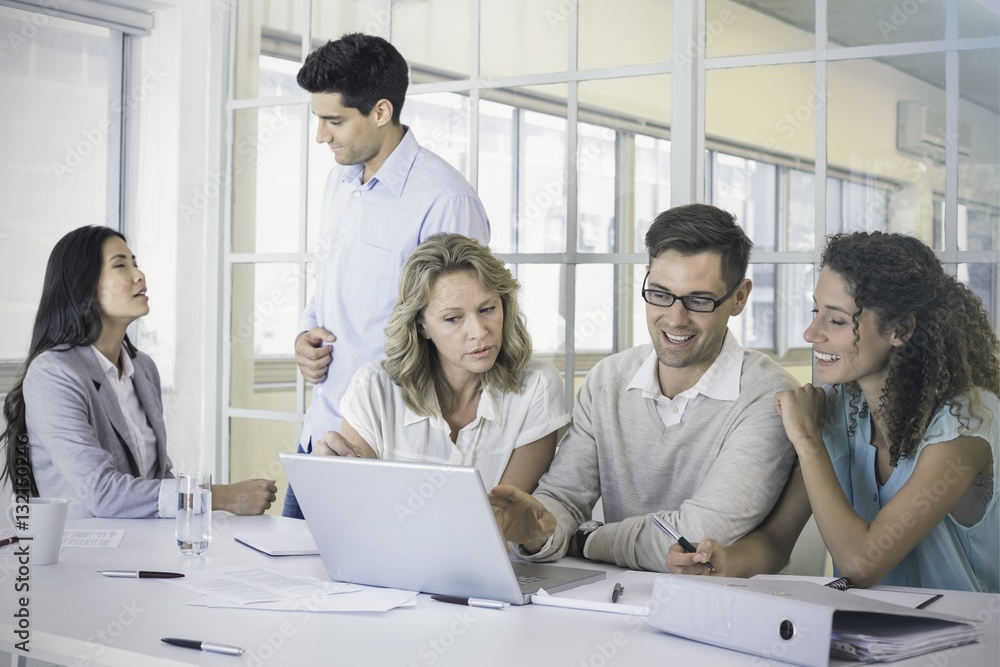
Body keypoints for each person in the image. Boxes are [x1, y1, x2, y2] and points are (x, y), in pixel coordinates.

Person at [667, 232, 999, 592]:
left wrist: (808, 442)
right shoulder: (838, 410)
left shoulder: (967, 421)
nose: (811, 333)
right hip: (861, 634)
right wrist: (725, 561)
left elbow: (863, 563)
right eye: (816, 312)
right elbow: (777, 540)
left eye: (837, 321)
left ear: (899, 329)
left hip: (966, 636)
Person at [490, 204, 799, 572]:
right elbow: (562, 501)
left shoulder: (768, 397)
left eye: (699, 300)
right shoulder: (608, 379)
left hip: (721, 609)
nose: (674, 318)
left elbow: (696, 538)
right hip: (617, 602)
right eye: (660, 293)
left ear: (739, 297)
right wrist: (538, 530)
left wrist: (587, 539)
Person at [284, 33, 490, 518]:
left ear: (380, 111)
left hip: (384, 449)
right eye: (318, 120)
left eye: (334, 121)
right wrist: (305, 334)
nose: (321, 136)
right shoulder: (340, 181)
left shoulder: (446, 200)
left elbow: (461, 338)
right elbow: (328, 282)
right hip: (321, 433)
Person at [0, 226, 277, 520]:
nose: (139, 274)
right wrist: (219, 497)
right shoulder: (53, 374)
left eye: (135, 262)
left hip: (146, 545)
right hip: (83, 556)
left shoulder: (143, 368)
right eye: (120, 265)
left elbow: (159, 476)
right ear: (84, 288)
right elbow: (102, 493)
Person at [309, 233, 567, 493]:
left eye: (487, 309)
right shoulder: (373, 389)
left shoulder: (538, 386)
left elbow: (507, 519)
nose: (479, 331)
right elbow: (359, 507)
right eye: (453, 318)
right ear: (422, 326)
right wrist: (333, 481)